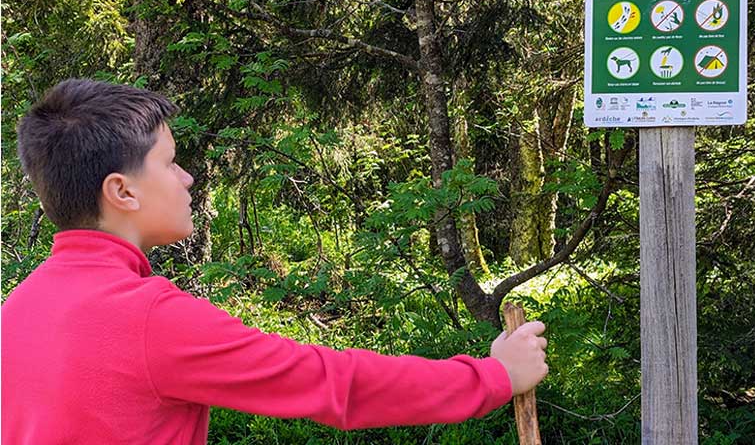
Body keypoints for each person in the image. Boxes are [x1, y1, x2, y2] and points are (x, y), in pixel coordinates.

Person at [2, 78, 548, 445]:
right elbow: (334, 385)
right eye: (169, 163)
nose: (187, 178)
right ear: (122, 191)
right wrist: (495, 377)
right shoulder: (150, 319)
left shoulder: (19, 308)